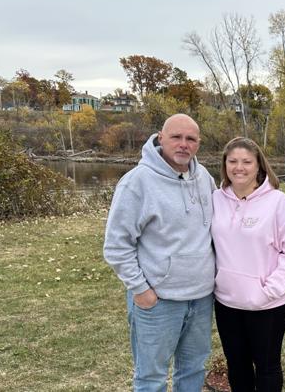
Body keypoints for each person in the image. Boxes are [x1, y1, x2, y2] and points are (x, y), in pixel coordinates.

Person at [103, 114, 216, 392]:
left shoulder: (204, 178)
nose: (183, 144)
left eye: (190, 139)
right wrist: (141, 289)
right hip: (159, 301)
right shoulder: (137, 183)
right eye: (176, 137)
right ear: (161, 137)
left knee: (193, 370)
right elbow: (117, 245)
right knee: (151, 378)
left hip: (201, 298)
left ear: (198, 143)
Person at [211, 137, 285, 392]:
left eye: (246, 162)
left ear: (259, 166)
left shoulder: (277, 202)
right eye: (232, 161)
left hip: (269, 303)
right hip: (227, 301)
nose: (239, 168)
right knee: (237, 364)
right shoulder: (215, 199)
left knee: (267, 366)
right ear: (225, 165)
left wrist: (269, 291)